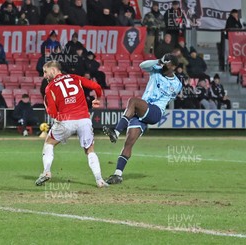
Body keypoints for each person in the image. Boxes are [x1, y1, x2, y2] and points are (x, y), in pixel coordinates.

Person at [103, 54, 182, 185]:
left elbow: (169, 98)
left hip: (155, 111)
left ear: (173, 66)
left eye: (167, 62)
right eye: (164, 61)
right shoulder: (156, 70)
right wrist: (158, 60)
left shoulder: (177, 84)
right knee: (129, 142)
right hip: (144, 111)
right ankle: (118, 174)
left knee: (133, 101)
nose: (164, 64)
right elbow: (142, 65)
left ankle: (116, 132)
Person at [35, 60, 106, 188]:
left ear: (53, 70)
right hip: (84, 119)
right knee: (90, 150)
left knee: (49, 143)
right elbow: (97, 87)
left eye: (45, 72)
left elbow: (51, 111)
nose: (44, 76)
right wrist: (98, 99)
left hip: (66, 120)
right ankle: (99, 180)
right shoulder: (75, 78)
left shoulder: (49, 87)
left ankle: (46, 172)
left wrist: (56, 115)